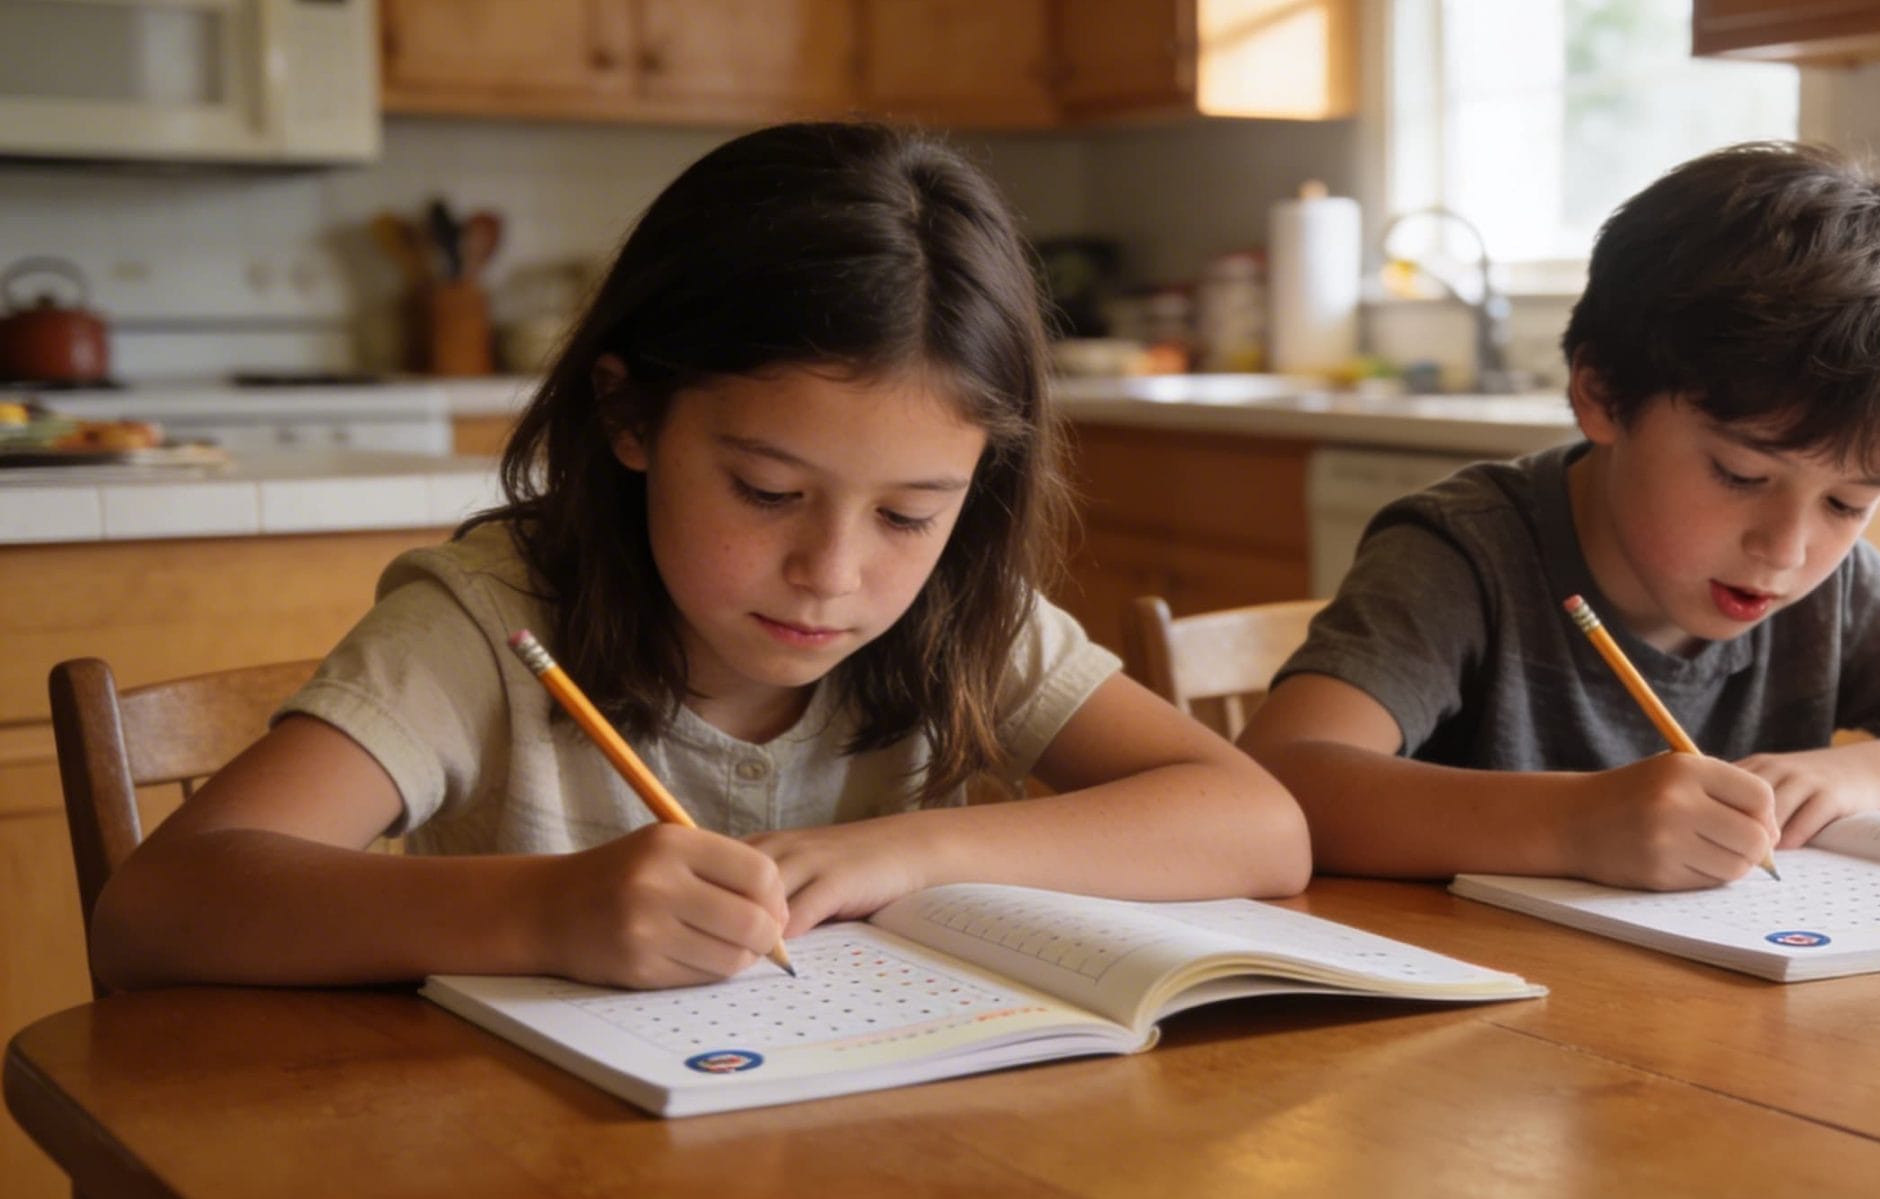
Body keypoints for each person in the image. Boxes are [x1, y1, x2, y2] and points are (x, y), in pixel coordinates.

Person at [89, 122, 1309, 991]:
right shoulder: (487, 624)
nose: (832, 572)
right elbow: (160, 906)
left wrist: (907, 848)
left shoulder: (964, 619)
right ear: (627, 417)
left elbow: (1258, 825)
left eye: (907, 514)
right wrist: (546, 909)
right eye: (769, 490)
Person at [1238, 142, 1880, 889]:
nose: (1789, 549)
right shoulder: (1465, 556)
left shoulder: (1831, 593)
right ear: (1601, 396)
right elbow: (1278, 783)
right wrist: (1574, 824)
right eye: (1738, 475)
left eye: (1849, 503)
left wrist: (1862, 777)